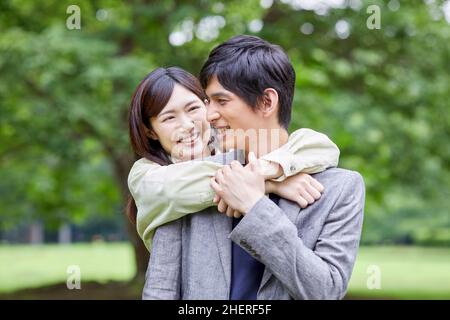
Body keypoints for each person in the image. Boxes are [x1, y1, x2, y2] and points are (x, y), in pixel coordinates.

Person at [127, 68, 340, 253]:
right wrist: (274, 183)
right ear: (150, 132)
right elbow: (175, 189)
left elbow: (321, 147)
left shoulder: (234, 146)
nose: (188, 125)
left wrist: (266, 170)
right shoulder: (144, 173)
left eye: (193, 109)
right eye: (169, 117)